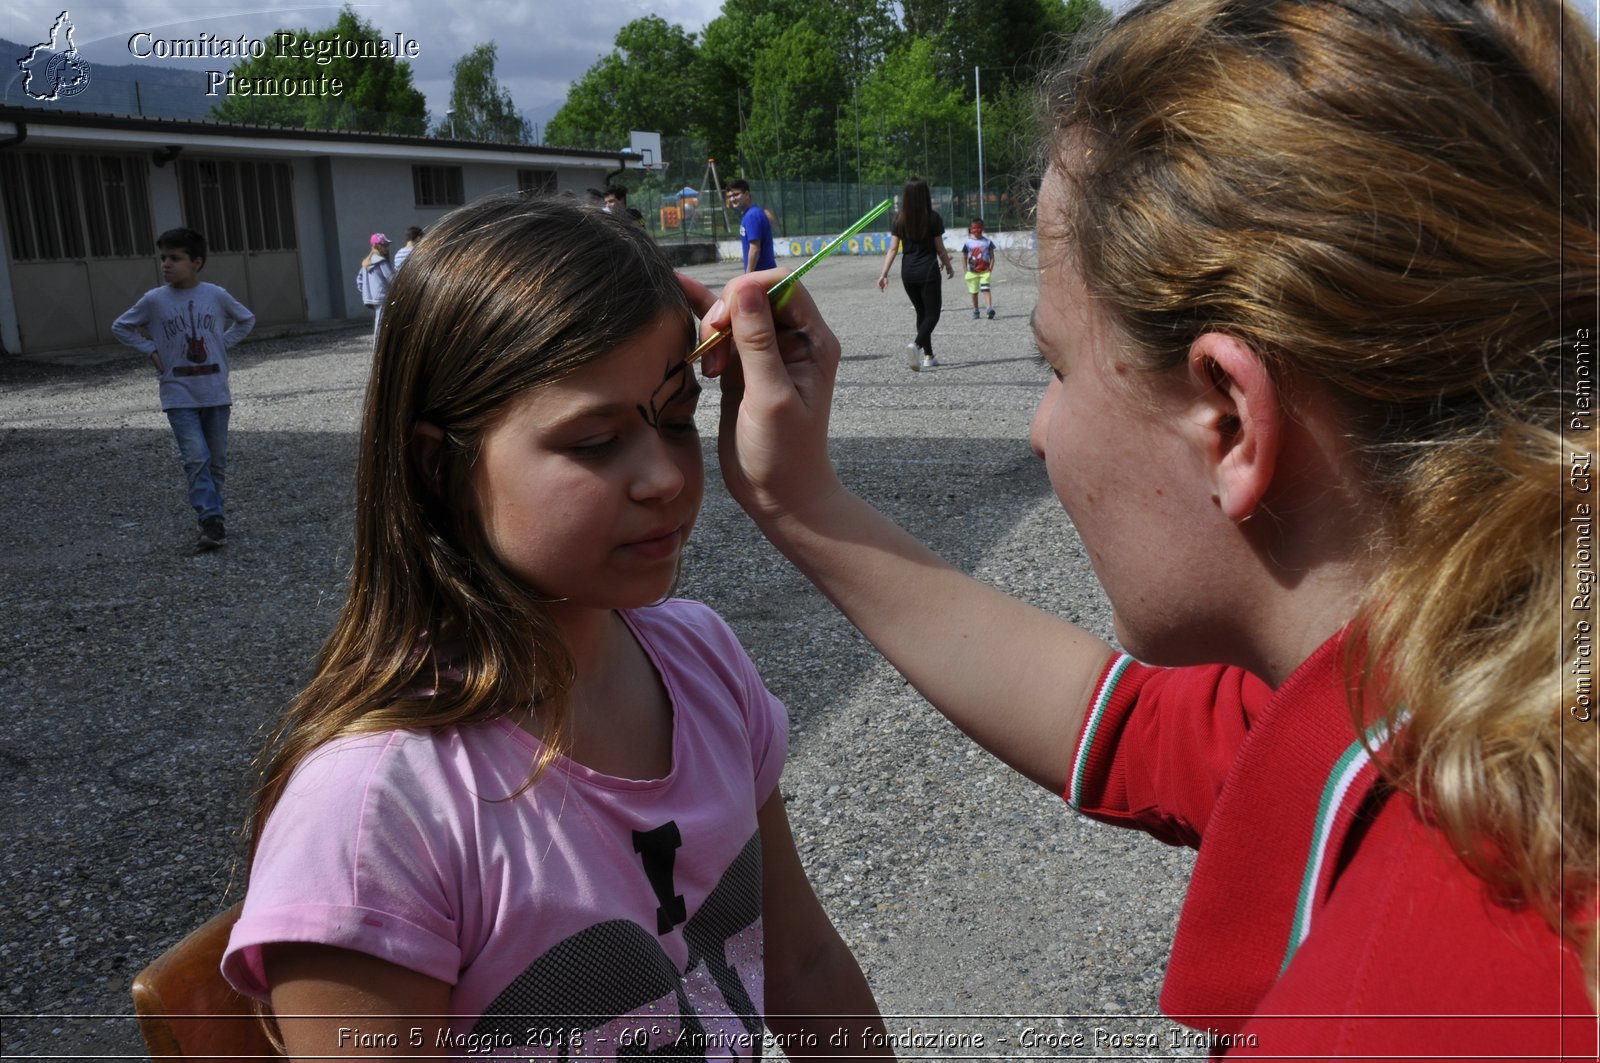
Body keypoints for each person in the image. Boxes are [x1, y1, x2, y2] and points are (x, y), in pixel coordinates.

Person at [688, 0, 1597, 1053]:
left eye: (1056, 367)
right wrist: (800, 500)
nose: (1041, 432)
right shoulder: (1472, 686)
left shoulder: (1403, 1004)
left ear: (1226, 416)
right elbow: (1122, 726)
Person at [220, 195, 891, 1060]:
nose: (662, 476)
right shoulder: (375, 815)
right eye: (594, 440)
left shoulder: (701, 657)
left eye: (678, 419)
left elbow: (801, 962)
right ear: (438, 462)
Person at [112, 227, 254, 551]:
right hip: (178, 393)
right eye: (163, 258)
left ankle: (213, 521)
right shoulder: (154, 300)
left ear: (196, 262)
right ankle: (210, 520)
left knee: (216, 459)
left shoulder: (215, 295)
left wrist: (221, 343)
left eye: (175, 258)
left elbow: (246, 319)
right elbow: (121, 326)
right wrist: (150, 350)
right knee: (196, 457)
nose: (166, 264)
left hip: (215, 391)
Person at [876, 178, 954, 371]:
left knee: (921, 313)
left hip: (908, 273)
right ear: (925, 195)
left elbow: (893, 249)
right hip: (928, 271)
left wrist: (884, 273)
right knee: (933, 314)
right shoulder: (933, 218)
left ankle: (929, 356)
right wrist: (948, 265)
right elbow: (940, 248)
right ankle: (917, 346)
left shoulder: (899, 219)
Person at [726, 179, 776, 273]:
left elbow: (755, 248)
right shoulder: (751, 213)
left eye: (736, 195)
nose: (732, 199)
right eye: (730, 196)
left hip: (761, 275)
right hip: (763, 274)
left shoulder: (752, 216)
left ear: (747, 194)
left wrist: (748, 276)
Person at [355, 233, 394, 339]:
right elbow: (392, 279)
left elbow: (359, 281)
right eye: (384, 245)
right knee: (382, 324)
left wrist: (367, 291)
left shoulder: (366, 263)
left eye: (387, 245)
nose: (387, 247)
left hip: (374, 298)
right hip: (384, 297)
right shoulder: (382, 262)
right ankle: (379, 347)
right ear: (376, 246)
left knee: (379, 322)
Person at [960, 218, 997, 320]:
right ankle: (976, 310)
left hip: (985, 272)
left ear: (983, 229)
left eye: (979, 228)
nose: (976, 230)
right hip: (972, 272)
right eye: (974, 228)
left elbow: (992, 257)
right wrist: (965, 271)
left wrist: (990, 269)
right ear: (970, 229)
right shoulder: (968, 243)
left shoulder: (988, 242)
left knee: (986, 289)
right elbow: (964, 256)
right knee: (974, 292)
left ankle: (989, 309)